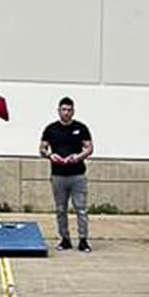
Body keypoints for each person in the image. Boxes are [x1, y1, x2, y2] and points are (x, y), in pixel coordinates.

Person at [40, 96, 93, 252]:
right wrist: (50, 155)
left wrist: (77, 157)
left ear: (73, 111)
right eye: (64, 110)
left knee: (81, 208)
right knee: (61, 209)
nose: (66, 113)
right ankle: (65, 239)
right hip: (58, 175)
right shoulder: (51, 129)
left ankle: (83, 240)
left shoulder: (81, 128)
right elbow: (42, 148)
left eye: (69, 110)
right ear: (59, 111)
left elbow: (89, 148)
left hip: (77, 175)